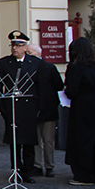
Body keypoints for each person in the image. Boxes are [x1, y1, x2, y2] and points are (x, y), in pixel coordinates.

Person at [0, 30, 41, 183]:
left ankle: (28, 171)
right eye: (13, 45)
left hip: (28, 108)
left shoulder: (34, 63)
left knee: (28, 142)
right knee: (14, 142)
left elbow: (40, 86)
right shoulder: (4, 62)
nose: (15, 48)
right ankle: (16, 169)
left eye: (19, 45)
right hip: (11, 108)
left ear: (25, 47)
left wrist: (39, 107)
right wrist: (1, 107)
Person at [64, 37, 95, 185]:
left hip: (80, 106)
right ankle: (94, 172)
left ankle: (83, 175)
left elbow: (72, 91)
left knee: (80, 139)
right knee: (94, 138)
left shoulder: (75, 67)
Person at [26, 43, 65, 178]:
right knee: (36, 140)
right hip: (34, 109)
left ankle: (49, 166)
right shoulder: (29, 68)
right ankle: (38, 165)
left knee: (47, 140)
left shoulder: (49, 67)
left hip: (48, 109)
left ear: (38, 54)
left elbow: (59, 85)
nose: (27, 55)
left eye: (30, 52)